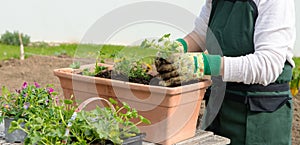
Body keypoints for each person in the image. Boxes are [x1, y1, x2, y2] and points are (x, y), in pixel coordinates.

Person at [155, 0, 296, 144]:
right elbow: (201, 35)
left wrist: (204, 64)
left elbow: (267, 65)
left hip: (259, 116)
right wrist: (178, 47)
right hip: (220, 109)